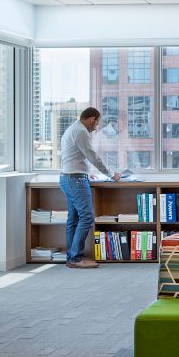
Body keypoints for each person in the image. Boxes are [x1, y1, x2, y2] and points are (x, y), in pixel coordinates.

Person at [59, 107, 122, 268]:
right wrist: (111, 174)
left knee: (73, 219)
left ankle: (72, 258)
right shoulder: (81, 131)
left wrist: (85, 173)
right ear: (92, 119)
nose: (96, 127)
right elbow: (93, 156)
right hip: (75, 180)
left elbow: (75, 156)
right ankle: (76, 258)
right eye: (97, 123)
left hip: (69, 177)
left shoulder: (72, 129)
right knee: (87, 217)